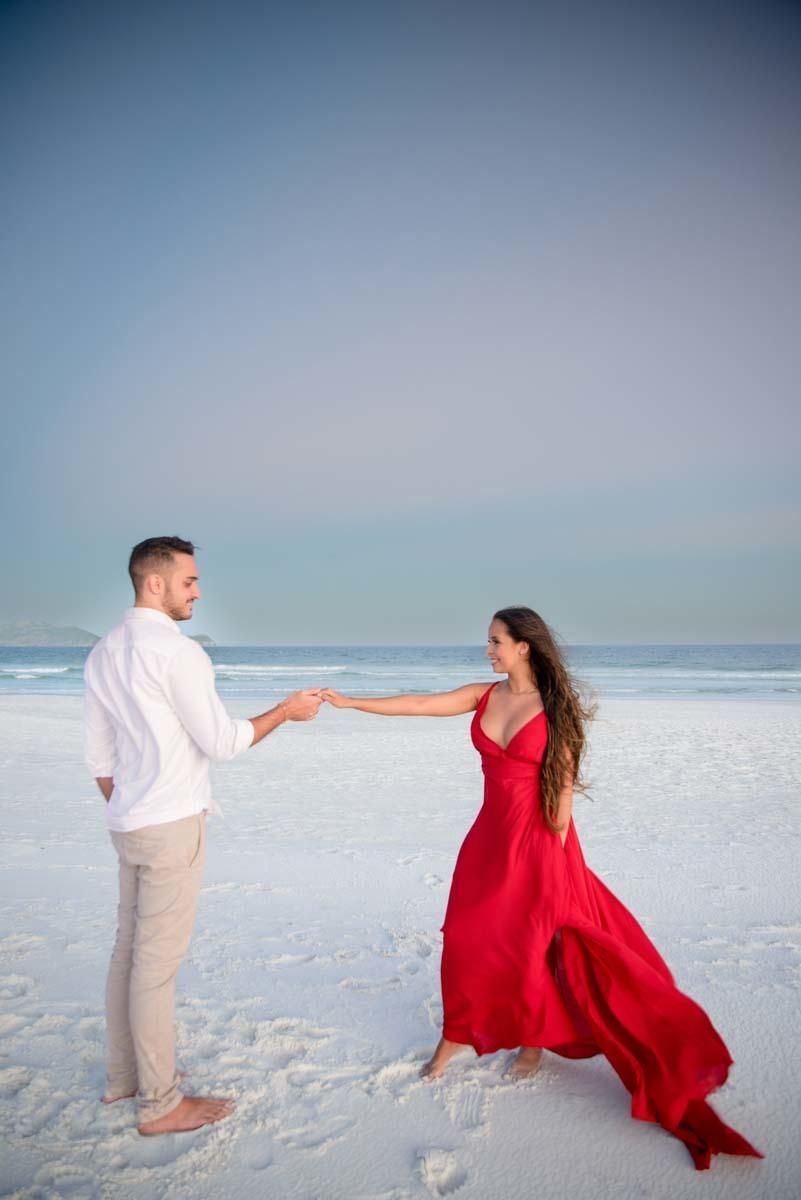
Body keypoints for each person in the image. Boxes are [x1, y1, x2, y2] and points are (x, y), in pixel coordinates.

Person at [321, 607, 762, 1170]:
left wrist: (556, 853)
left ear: (524, 646)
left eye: (495, 641)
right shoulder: (485, 695)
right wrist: (353, 702)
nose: (488, 650)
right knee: (465, 934)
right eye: (488, 642)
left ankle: (533, 1039)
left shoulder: (555, 710)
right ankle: (457, 1035)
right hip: (487, 841)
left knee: (534, 942)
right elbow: (421, 703)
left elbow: (562, 792)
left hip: (539, 842)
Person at [84, 536, 322, 1136]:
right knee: (154, 968)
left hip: (129, 822)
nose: (198, 591)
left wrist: (133, 805)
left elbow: (100, 758)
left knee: (128, 955)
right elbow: (223, 742)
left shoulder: (104, 651)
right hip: (169, 826)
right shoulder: (177, 652)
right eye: (189, 581)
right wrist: (285, 712)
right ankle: (160, 1104)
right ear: (155, 583)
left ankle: (123, 1080)